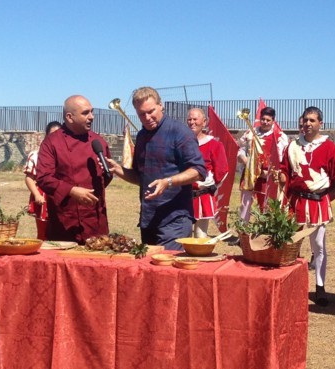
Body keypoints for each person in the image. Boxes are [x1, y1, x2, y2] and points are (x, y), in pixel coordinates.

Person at [107, 86, 206, 248]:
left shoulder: (180, 132)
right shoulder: (141, 136)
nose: (147, 117)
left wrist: (168, 182)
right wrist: (120, 170)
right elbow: (141, 178)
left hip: (174, 220)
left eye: (151, 111)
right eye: (141, 114)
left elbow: (198, 171)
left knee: (167, 271)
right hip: (148, 219)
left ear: (161, 105)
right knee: (150, 270)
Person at [284, 106, 335, 307]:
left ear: (321, 123)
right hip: (295, 202)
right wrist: (281, 178)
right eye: (305, 120)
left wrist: (326, 199)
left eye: (312, 120)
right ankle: (292, 286)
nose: (308, 124)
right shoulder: (292, 146)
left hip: (317, 203)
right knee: (291, 246)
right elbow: (285, 173)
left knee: (318, 246)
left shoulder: (328, 147)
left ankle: (320, 287)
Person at [34, 96, 113, 244]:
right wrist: (71, 191)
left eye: (92, 112)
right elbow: (44, 178)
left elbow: (107, 176)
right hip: (65, 222)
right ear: (69, 117)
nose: (92, 117)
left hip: (95, 222)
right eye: (85, 113)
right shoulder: (52, 142)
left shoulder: (98, 142)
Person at [237, 106, 290, 221]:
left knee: (266, 206)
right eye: (263, 119)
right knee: (245, 205)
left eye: (268, 120)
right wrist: (246, 161)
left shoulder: (280, 136)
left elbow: (283, 158)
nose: (265, 122)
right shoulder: (250, 133)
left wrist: (271, 172)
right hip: (249, 175)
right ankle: (243, 233)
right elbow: (240, 150)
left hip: (267, 176)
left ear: (273, 121)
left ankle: (264, 234)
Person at [186, 107, 230, 238]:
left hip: (202, 195)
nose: (192, 122)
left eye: (195, 119)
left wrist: (211, 183)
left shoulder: (214, 145)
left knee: (200, 236)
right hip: (183, 196)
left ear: (204, 122)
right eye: (189, 119)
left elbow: (222, 169)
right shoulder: (181, 143)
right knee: (183, 235)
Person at [24, 121, 62, 240]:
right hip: (43, 197)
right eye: (52, 134)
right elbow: (29, 178)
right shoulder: (36, 155)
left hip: (60, 196)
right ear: (46, 136)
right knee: (43, 233)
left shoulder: (66, 155)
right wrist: (36, 195)